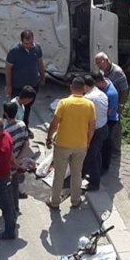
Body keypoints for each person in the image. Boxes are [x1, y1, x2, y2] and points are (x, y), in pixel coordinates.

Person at [45, 77, 96, 210]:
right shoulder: (90, 105)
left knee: (59, 174)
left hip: (62, 144)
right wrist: (88, 142)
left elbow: (54, 124)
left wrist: (49, 138)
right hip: (81, 145)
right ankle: (75, 200)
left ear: (71, 87)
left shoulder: (63, 103)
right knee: (77, 173)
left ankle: (55, 202)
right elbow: (92, 127)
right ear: (84, 88)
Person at [4, 30, 45, 130]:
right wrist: (8, 85)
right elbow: (8, 68)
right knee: (16, 109)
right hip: (18, 86)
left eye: (31, 42)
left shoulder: (37, 48)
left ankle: (25, 128)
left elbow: (40, 63)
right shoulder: (14, 51)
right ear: (21, 41)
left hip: (33, 85)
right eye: (26, 43)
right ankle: (12, 129)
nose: (29, 45)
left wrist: (43, 76)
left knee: (27, 109)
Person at [94, 52, 129, 156]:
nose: (98, 66)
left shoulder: (118, 72)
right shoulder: (102, 71)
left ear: (106, 60)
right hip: (105, 103)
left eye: (99, 63)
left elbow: (124, 89)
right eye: (97, 64)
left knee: (115, 126)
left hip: (115, 103)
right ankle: (107, 147)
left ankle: (116, 149)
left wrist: (121, 105)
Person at [82, 75, 110, 191]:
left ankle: (94, 183)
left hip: (96, 131)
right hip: (104, 128)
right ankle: (96, 174)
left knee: (91, 157)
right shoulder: (101, 93)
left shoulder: (88, 98)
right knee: (97, 153)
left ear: (85, 86)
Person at [3, 101, 30, 215]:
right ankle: (16, 207)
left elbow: (8, 152)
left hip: (9, 164)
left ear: (5, 113)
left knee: (6, 187)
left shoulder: (6, 132)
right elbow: (26, 143)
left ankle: (10, 211)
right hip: (17, 161)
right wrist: (19, 159)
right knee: (15, 184)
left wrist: (14, 161)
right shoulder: (22, 125)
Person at [94, 71, 119, 172]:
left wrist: (99, 118)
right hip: (105, 118)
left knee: (106, 143)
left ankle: (105, 166)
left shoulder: (111, 93)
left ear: (100, 82)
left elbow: (110, 111)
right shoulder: (106, 82)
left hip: (110, 120)